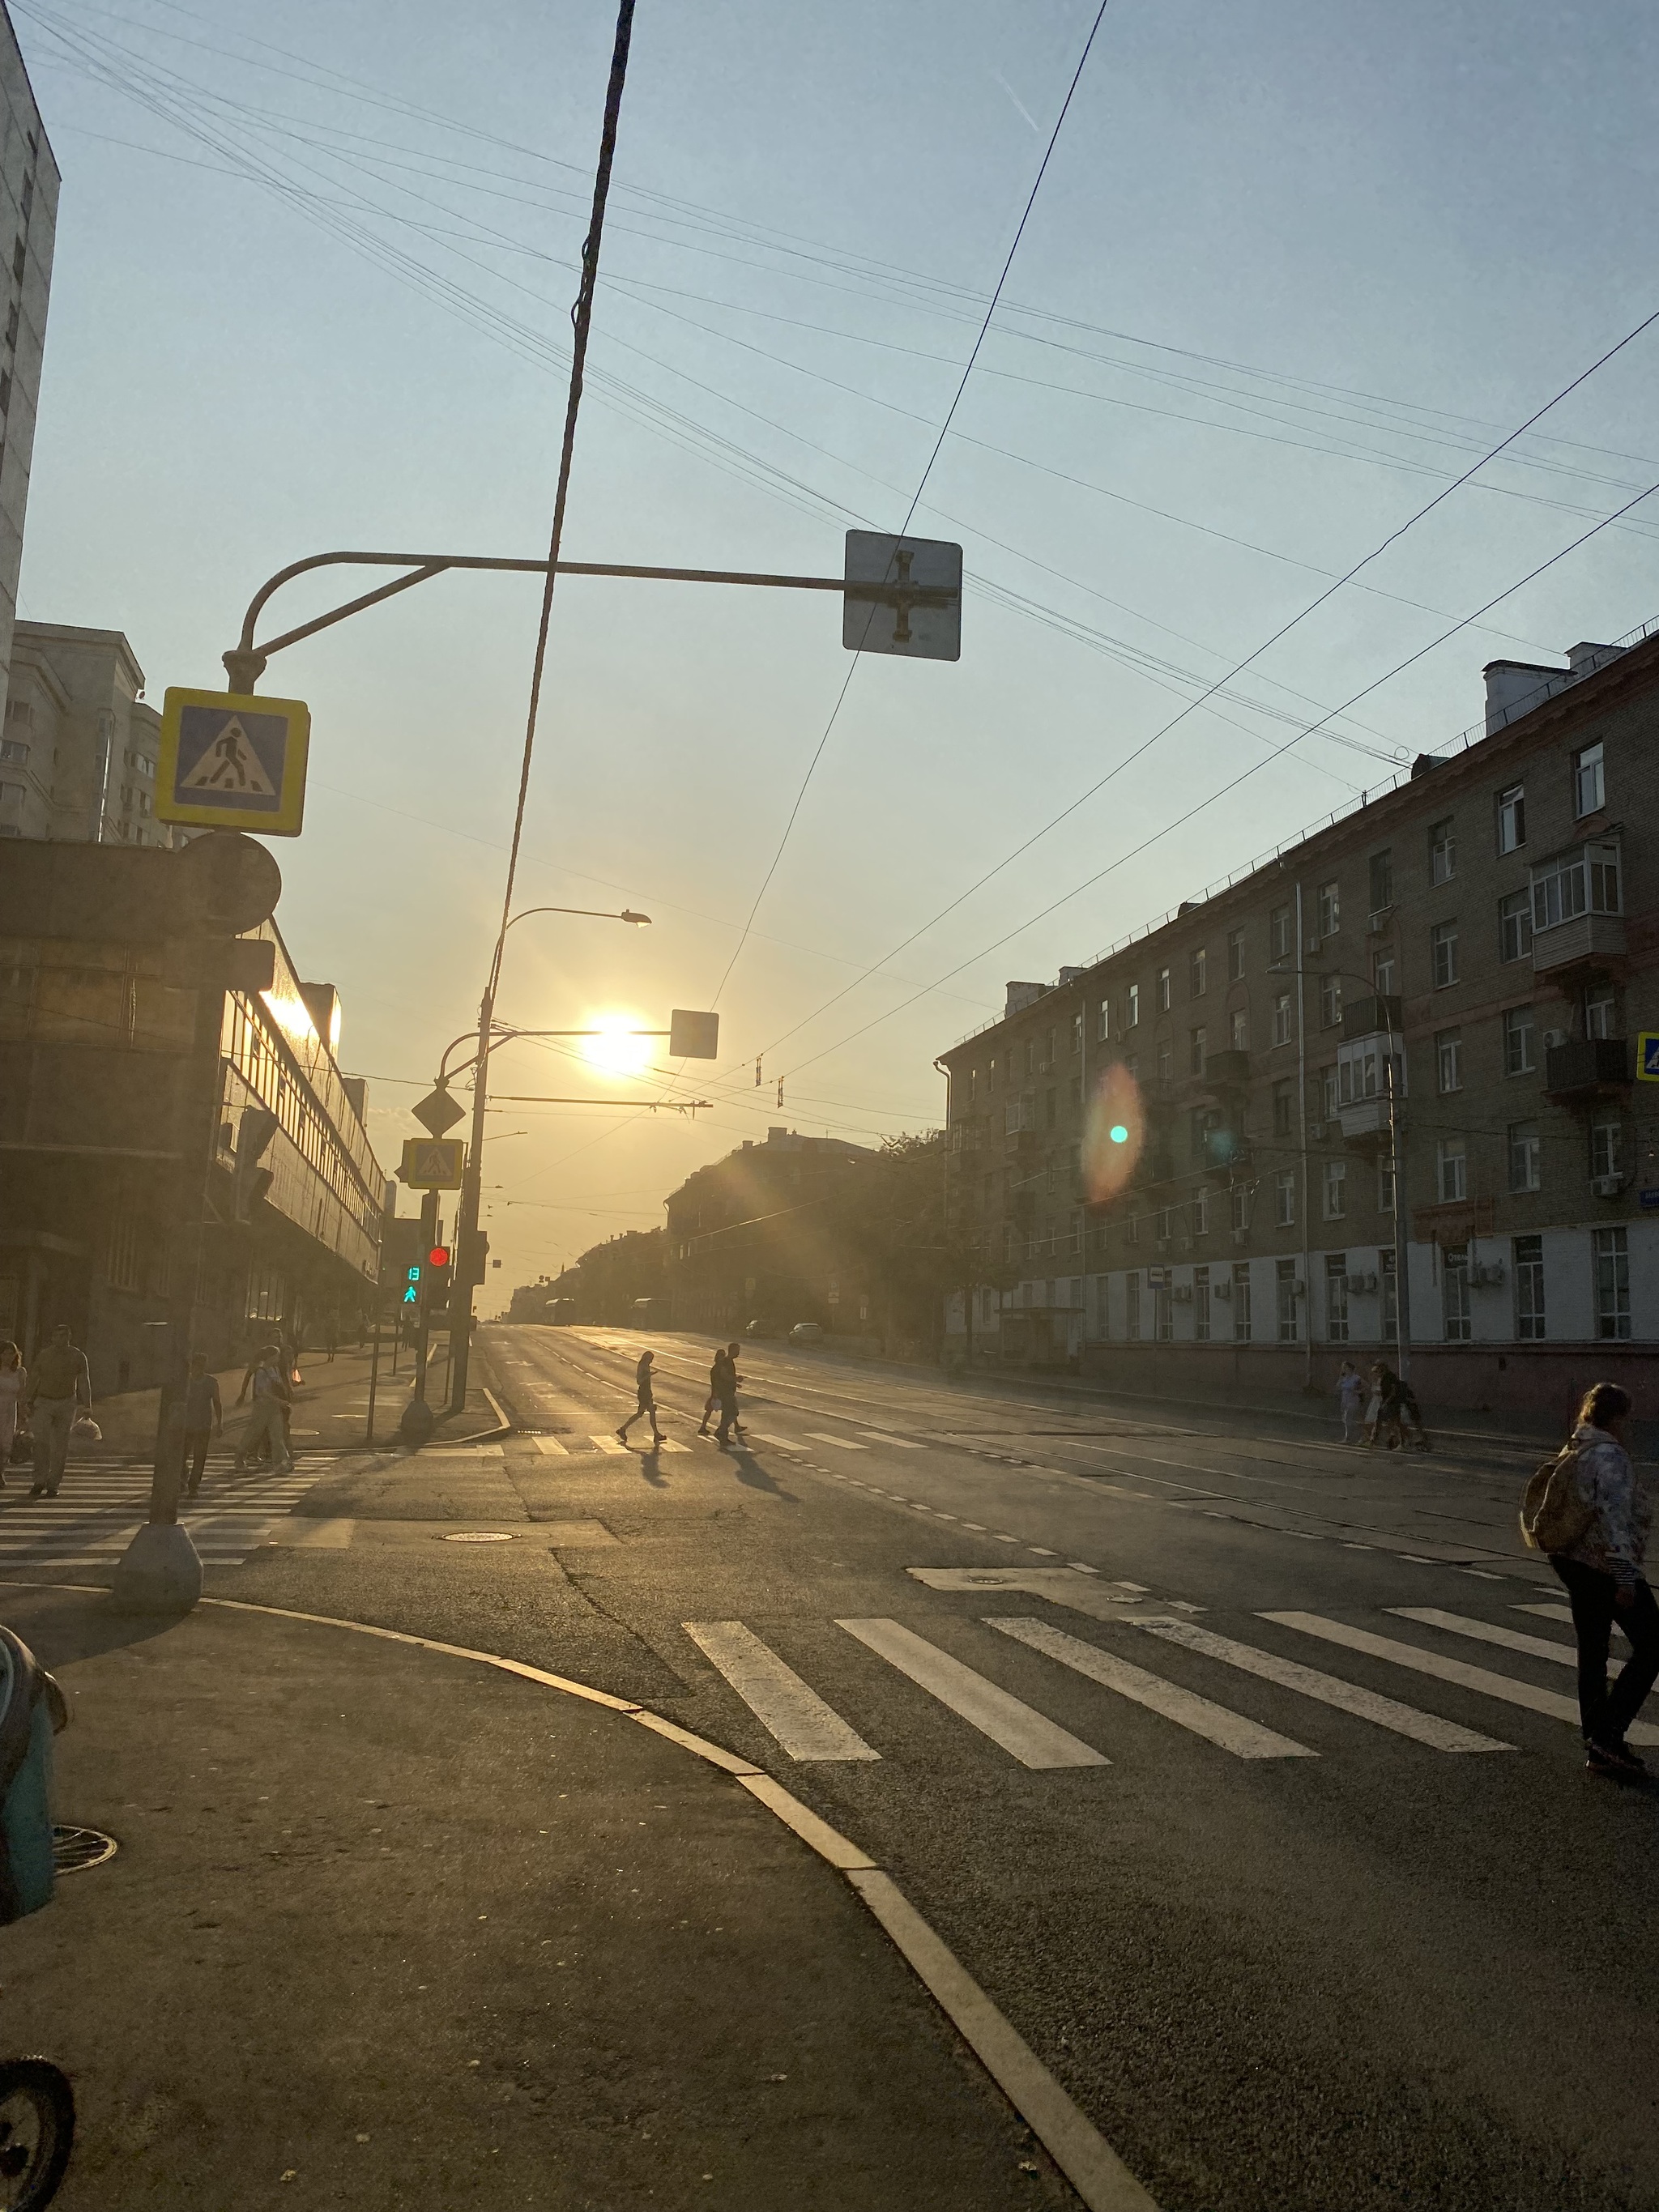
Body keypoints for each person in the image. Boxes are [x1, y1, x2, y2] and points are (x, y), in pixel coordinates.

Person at [1551, 1382, 1659, 1777]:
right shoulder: (1610, 1455)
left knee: (1593, 1655)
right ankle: (1608, 1734)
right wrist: (1626, 1578)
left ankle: (1598, 1746)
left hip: (1574, 1562)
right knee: (1653, 1645)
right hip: (1604, 1566)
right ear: (1617, 1418)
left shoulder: (1576, 1447)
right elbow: (1616, 1520)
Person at [25, 1323, 91, 1498]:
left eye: (63, 1336)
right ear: (52, 1338)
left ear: (69, 1337)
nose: (60, 1339)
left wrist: (87, 1404)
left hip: (66, 1402)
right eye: (56, 1336)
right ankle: (39, 1480)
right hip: (44, 1401)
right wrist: (27, 1400)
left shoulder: (77, 1356)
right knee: (41, 1442)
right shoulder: (45, 1355)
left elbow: (84, 1380)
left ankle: (53, 1483)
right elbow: (34, 1378)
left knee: (61, 1446)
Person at [236, 1345, 292, 1473]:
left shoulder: (275, 1370)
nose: (278, 1358)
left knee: (277, 1435)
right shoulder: (261, 1371)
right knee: (253, 1434)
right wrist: (280, 1401)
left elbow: (278, 1387)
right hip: (262, 1407)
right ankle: (240, 1458)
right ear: (271, 1357)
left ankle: (281, 1462)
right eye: (277, 1356)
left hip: (274, 1408)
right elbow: (262, 1391)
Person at [181, 1352, 223, 1498]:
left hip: (203, 1425)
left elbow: (217, 1403)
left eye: (198, 1366)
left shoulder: (211, 1383)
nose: (196, 1369)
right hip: (186, 1424)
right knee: (182, 1455)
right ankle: (183, 1476)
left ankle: (193, 1486)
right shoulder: (186, 1381)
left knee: (199, 1457)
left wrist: (219, 1423)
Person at [617, 1349, 663, 1448]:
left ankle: (624, 1429)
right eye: (650, 1359)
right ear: (646, 1358)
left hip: (647, 1392)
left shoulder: (645, 1365)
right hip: (644, 1393)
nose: (651, 1361)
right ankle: (656, 1434)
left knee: (643, 1413)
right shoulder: (642, 1366)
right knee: (649, 1412)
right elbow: (639, 1381)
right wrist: (649, 1375)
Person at [0, 1341, 24, 1490]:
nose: (7, 1356)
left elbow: (22, 1394)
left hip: (10, 1409)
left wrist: (24, 1414)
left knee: (6, 1443)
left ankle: (1, 1471)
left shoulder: (20, 1372)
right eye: (4, 1353)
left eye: (11, 1353)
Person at [714, 1341, 745, 1448]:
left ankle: (722, 1433)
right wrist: (735, 1379)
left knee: (727, 1414)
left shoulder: (729, 1361)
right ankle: (721, 1432)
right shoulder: (726, 1361)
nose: (738, 1353)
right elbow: (724, 1375)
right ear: (732, 1350)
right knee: (731, 1413)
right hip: (726, 1392)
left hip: (728, 1391)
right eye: (737, 1351)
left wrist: (735, 1383)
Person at [697, 1345, 728, 1438]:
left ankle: (703, 1427)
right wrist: (715, 1392)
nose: (723, 1357)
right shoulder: (717, 1368)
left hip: (720, 1391)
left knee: (728, 1408)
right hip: (717, 1391)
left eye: (724, 1355)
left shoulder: (720, 1367)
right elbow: (715, 1381)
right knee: (726, 1408)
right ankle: (703, 1427)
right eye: (721, 1355)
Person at [1336, 1359, 1364, 1446]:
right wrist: (1340, 1379)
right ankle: (1355, 1435)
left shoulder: (1356, 1378)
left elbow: (1365, 1387)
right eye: (1343, 1368)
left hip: (1353, 1400)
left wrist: (1356, 1392)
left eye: (1345, 1368)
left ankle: (1350, 1437)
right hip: (1345, 1400)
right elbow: (1338, 1387)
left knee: (1349, 1418)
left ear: (1350, 1368)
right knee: (1346, 1419)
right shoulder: (1344, 1379)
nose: (1344, 1370)